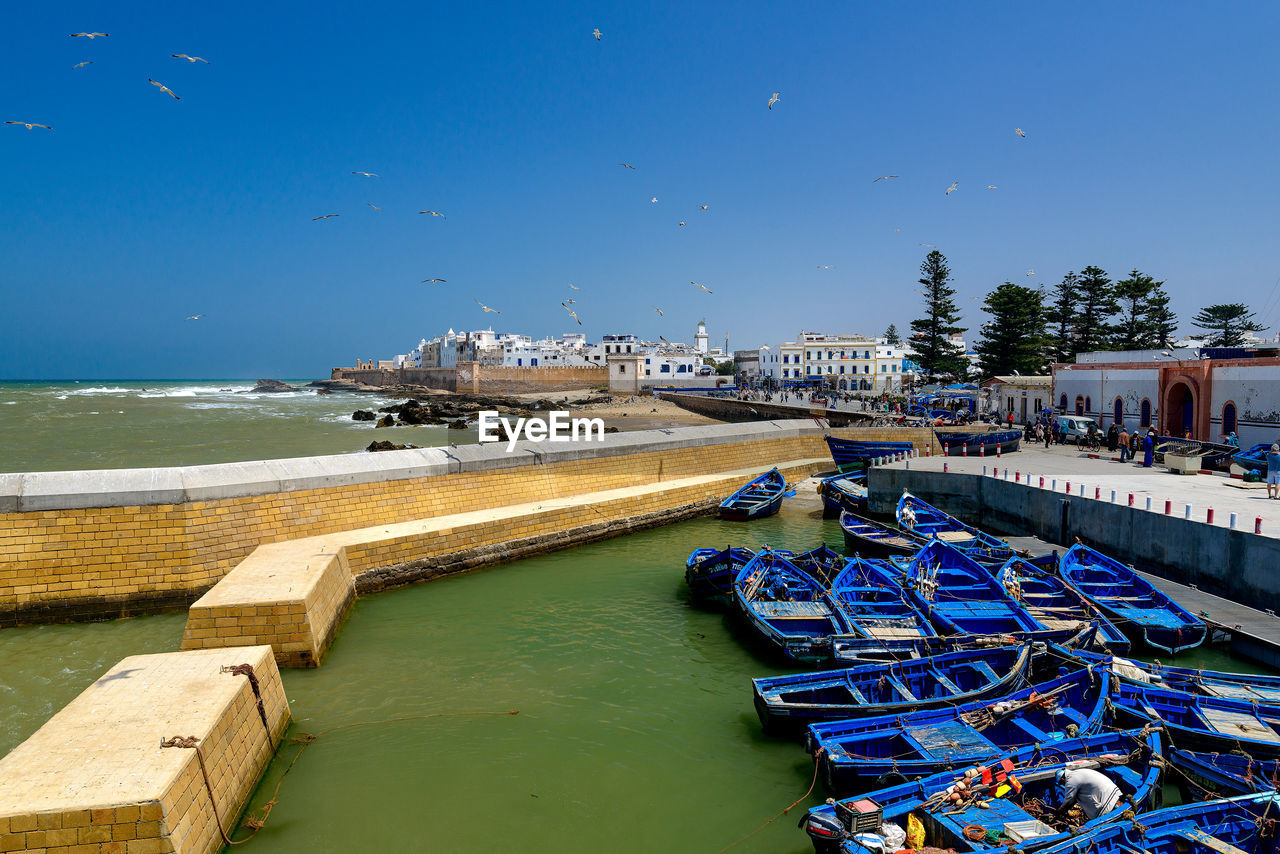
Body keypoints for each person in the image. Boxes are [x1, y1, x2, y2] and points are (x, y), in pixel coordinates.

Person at [1055, 768, 1122, 821]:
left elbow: (1069, 799)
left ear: (1063, 779)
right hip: (1113, 791)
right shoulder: (1078, 772)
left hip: (1106, 799)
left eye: (1062, 783)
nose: (1064, 785)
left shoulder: (1071, 779)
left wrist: (1059, 811)